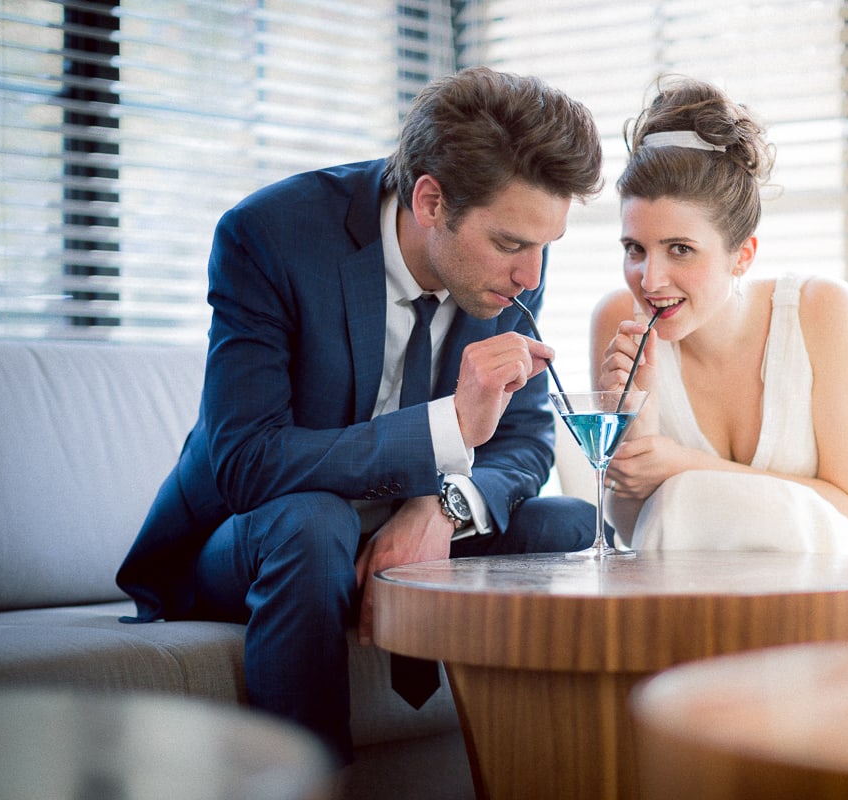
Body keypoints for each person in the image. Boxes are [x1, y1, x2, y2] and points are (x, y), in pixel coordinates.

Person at [116, 66, 604, 764]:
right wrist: (446, 430)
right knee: (315, 522)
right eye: (510, 245)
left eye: (544, 245)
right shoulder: (270, 235)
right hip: (259, 536)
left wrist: (444, 511)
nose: (531, 274)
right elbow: (245, 461)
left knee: (570, 524)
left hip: (406, 522)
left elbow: (524, 439)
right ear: (431, 200)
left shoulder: (515, 257)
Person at [592, 76, 848, 637]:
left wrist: (683, 463)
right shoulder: (615, 321)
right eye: (635, 249)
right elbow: (635, 533)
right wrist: (640, 416)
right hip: (706, 600)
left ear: (742, 254)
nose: (649, 279)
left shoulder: (822, 311)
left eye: (680, 249)